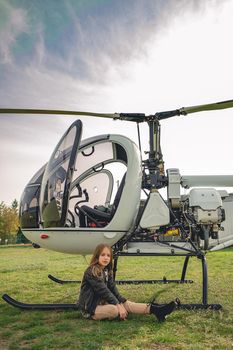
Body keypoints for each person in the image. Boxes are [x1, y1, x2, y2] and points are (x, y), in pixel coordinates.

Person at [78, 243, 179, 322]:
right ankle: (110, 314)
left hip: (102, 302)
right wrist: (118, 305)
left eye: (108, 255)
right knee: (115, 310)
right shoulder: (92, 271)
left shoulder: (107, 270)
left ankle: (157, 310)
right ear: (97, 256)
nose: (106, 258)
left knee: (127, 304)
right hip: (91, 307)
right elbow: (103, 291)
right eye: (103, 255)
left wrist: (122, 301)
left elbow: (112, 288)